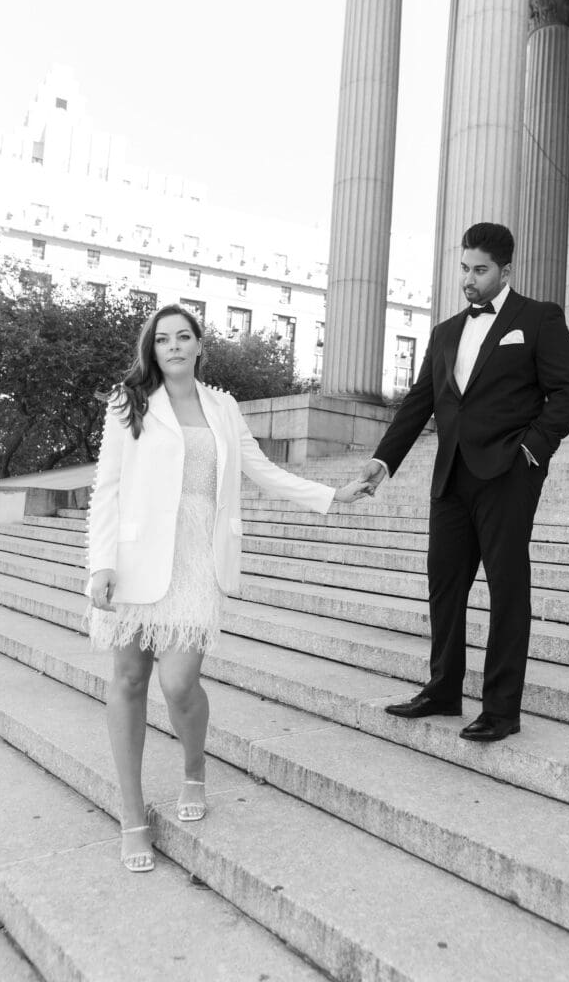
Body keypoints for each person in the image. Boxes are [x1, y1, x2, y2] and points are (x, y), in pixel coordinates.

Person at [87, 304, 370, 872]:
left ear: (198, 346)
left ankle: (194, 771)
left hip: (197, 556)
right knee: (128, 678)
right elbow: (107, 488)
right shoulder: (129, 403)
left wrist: (330, 496)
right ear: (152, 348)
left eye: (182, 336)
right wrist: (100, 563)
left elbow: (261, 469)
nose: (172, 346)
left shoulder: (222, 406)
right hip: (135, 557)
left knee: (179, 679)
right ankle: (133, 815)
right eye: (161, 338)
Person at [360, 223, 569, 742]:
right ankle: (443, 689)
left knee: (507, 591)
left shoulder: (538, 318)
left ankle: (502, 710)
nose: (470, 279)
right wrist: (382, 461)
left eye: (480, 270)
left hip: (508, 474)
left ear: (505, 270)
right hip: (451, 478)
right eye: (464, 268)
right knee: (445, 585)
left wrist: (532, 450)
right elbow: (419, 404)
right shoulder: (443, 333)